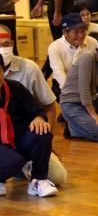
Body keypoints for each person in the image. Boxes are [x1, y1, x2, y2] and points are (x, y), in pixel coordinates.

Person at [0, 57, 58, 197]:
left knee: (42, 130)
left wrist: (38, 118)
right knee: (13, 161)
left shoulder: (15, 87)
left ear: (3, 71)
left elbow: (37, 111)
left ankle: (38, 180)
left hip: (19, 141)